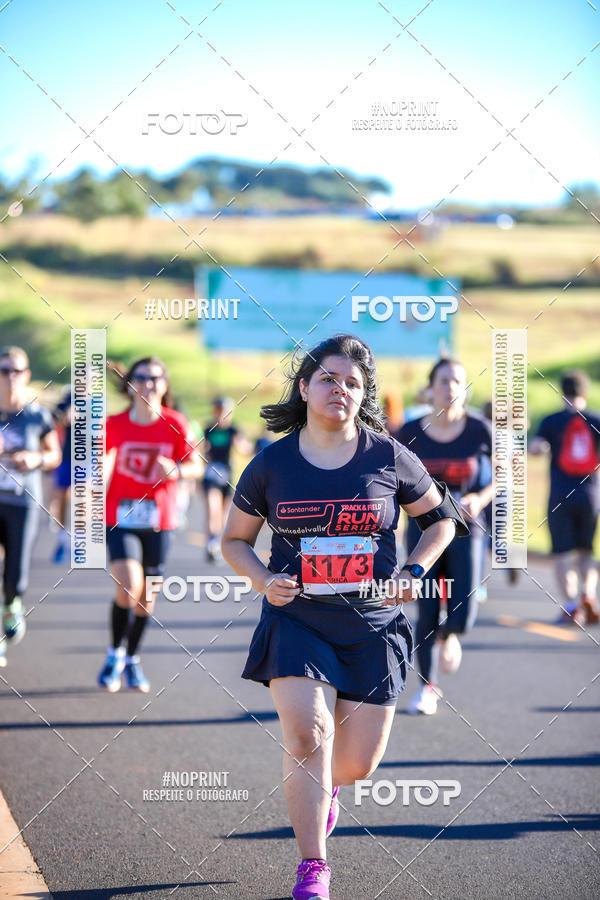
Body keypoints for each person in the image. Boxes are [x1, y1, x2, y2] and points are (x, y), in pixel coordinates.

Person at [221, 334, 468, 900]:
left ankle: (329, 790)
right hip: (298, 619)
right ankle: (313, 868)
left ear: (364, 396)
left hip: (373, 625)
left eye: (353, 383)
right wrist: (263, 580)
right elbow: (233, 541)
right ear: (305, 387)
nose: (341, 390)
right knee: (308, 735)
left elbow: (442, 522)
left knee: (355, 765)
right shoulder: (272, 463)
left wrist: (413, 569)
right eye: (329, 379)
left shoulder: (388, 456)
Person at [98, 357, 202, 692]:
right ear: (130, 384)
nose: (148, 384)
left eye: (155, 378)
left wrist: (175, 469)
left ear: (165, 384)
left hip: (160, 521)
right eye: (141, 378)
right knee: (128, 585)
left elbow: (196, 467)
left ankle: (131, 659)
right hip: (121, 517)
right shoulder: (114, 424)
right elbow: (98, 462)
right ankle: (114, 653)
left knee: (147, 598)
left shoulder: (175, 423)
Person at [397, 357, 493, 716]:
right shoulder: (409, 432)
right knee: (425, 609)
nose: (450, 387)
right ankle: (427, 688)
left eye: (457, 381)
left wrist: (479, 498)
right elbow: (393, 482)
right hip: (423, 533)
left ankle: (449, 634)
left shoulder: (480, 430)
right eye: (443, 381)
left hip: (468, 529)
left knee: (462, 616)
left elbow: (501, 473)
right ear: (430, 389)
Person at [0, 346, 61, 666]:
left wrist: (35, 458)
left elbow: (55, 454)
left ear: (26, 376)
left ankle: (12, 603)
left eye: (17, 371)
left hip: (22, 502)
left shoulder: (37, 415)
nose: (11, 378)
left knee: (15, 575)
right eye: (4, 371)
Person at [529, 370, 600, 626]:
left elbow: (535, 448)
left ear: (562, 391)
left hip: (560, 494)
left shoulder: (551, 421)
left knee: (562, 554)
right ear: (585, 391)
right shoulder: (595, 419)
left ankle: (572, 606)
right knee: (586, 551)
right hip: (591, 495)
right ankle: (589, 594)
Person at [201, 397, 251, 562]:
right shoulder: (209, 430)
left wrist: (249, 446)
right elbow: (202, 451)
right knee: (212, 509)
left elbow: (245, 449)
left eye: (224, 411)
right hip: (211, 475)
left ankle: (218, 542)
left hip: (227, 476)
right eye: (218, 411)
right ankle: (211, 544)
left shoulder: (233, 431)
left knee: (223, 516)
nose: (221, 415)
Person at [49, 389, 72, 563]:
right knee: (62, 497)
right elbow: (53, 419)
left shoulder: (98, 400)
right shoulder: (69, 398)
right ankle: (63, 540)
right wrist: (65, 416)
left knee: (83, 498)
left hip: (89, 458)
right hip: (67, 457)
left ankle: (80, 541)